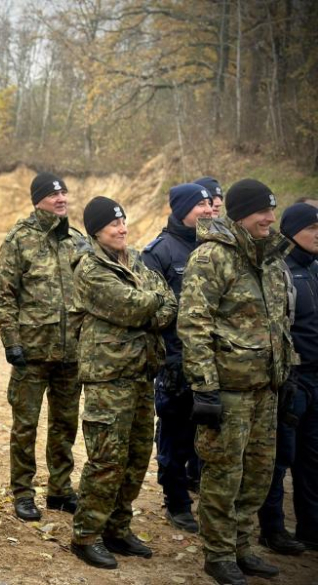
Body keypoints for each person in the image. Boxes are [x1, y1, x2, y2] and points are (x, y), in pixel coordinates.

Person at [178, 179, 296, 585]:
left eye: (273, 211)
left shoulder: (272, 259)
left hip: (265, 389)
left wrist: (285, 372)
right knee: (223, 475)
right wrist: (205, 387)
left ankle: (244, 546)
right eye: (263, 212)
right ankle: (219, 553)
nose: (270, 218)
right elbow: (193, 323)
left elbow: (281, 322)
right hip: (227, 391)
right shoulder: (212, 257)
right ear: (241, 214)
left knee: (259, 474)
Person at [70, 196, 177, 570]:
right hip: (108, 379)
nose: (122, 228)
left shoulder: (135, 259)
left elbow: (168, 304)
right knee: (106, 460)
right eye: (113, 224)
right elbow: (129, 305)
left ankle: (118, 528)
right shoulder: (89, 268)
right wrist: (150, 308)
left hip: (141, 374)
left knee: (135, 458)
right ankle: (85, 535)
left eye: (123, 221)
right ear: (96, 230)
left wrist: (150, 308)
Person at [0, 172, 85, 521]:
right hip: (31, 353)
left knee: (65, 425)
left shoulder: (77, 240)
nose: (61, 198)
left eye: (63, 192)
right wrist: (12, 342)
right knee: (25, 427)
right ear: (38, 200)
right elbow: (3, 294)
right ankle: (23, 492)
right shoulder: (20, 239)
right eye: (52, 193)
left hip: (70, 353)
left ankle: (60, 490)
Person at [142, 183, 213, 533]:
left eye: (210, 204)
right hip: (176, 362)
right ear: (182, 208)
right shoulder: (160, 252)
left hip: (215, 362)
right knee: (175, 434)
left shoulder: (216, 244)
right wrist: (168, 361)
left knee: (210, 435)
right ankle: (177, 501)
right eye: (200, 204)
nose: (209, 209)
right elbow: (150, 310)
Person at [257, 202, 318, 555]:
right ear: (293, 232)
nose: (317, 235)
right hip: (290, 380)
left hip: (315, 377)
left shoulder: (315, 270)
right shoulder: (277, 270)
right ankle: (273, 529)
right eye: (312, 228)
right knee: (279, 459)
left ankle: (311, 527)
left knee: (312, 459)